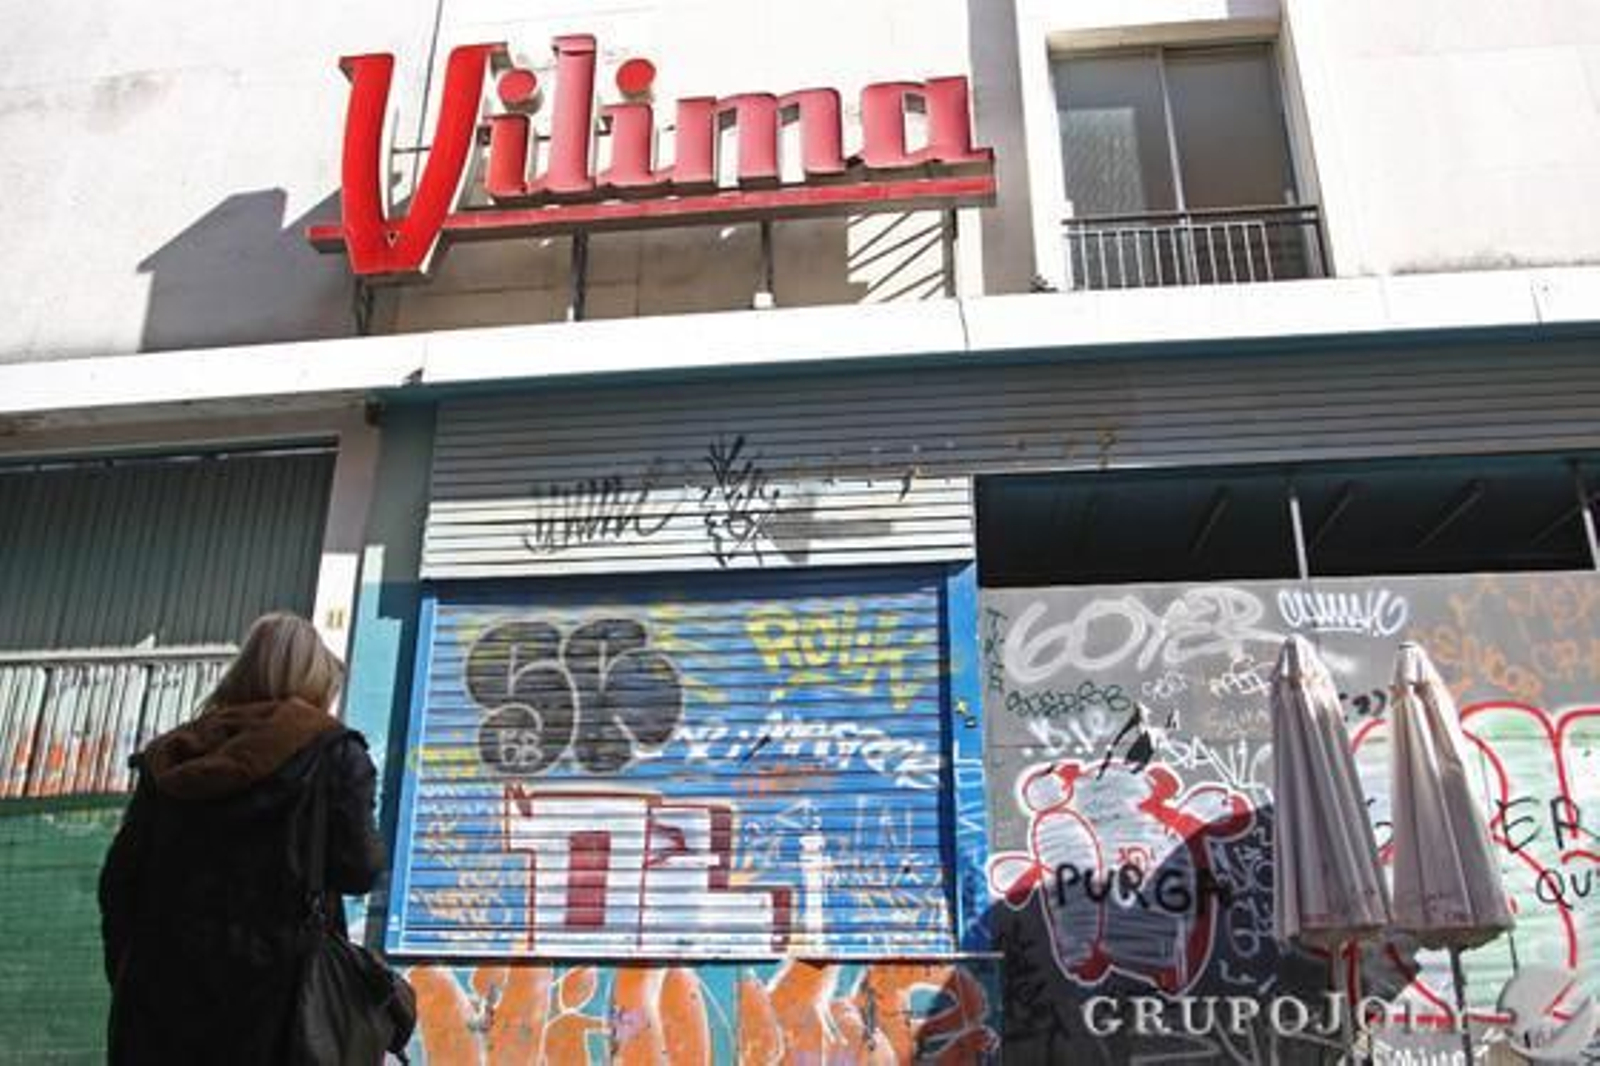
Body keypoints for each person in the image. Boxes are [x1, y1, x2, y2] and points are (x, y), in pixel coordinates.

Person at [99, 612, 386, 1064]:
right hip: (279, 1009)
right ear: (314, 684)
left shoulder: (172, 757)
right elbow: (360, 868)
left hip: (161, 1005)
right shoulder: (332, 752)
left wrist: (131, 974)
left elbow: (120, 884)